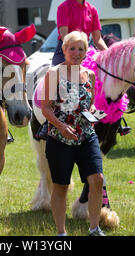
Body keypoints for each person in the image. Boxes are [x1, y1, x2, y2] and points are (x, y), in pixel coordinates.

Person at [42, 31, 106, 236]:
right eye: (72, 48)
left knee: (97, 179)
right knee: (60, 186)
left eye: (81, 49)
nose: (76, 53)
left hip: (86, 136)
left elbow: (90, 106)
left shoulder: (90, 75)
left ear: (86, 52)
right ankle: (61, 233)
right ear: (64, 49)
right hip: (60, 139)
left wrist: (95, 114)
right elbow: (46, 108)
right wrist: (61, 127)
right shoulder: (53, 73)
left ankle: (94, 229)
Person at [52, 0, 108, 66]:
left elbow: (97, 39)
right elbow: (65, 37)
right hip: (65, 52)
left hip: (84, 51)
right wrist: (76, 54)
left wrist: (110, 54)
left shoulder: (92, 10)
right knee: (54, 78)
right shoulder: (63, 7)